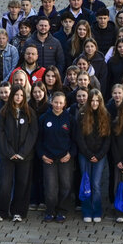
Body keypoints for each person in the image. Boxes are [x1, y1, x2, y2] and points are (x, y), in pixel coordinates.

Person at [0, 85, 37, 222]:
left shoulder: (29, 112)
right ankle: (1, 212)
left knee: (22, 184)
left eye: (21, 95)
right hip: (7, 155)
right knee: (5, 184)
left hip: (25, 156)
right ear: (12, 95)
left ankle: (18, 212)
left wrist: (22, 153)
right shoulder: (3, 112)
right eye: (16, 95)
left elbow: (33, 133)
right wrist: (10, 152)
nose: (18, 97)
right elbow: (0, 134)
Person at [74, 88, 112, 222]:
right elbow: (79, 137)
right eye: (92, 100)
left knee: (95, 184)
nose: (95, 103)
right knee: (86, 182)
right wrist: (88, 154)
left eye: (97, 100)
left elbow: (107, 138)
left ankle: (97, 210)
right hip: (85, 154)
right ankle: (86, 211)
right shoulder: (82, 114)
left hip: (100, 156)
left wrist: (100, 154)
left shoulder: (106, 115)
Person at [38, 90, 76, 222]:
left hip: (65, 158)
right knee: (50, 186)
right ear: (51, 102)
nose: (58, 105)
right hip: (48, 158)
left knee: (65, 185)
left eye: (61, 103)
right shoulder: (44, 118)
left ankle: (62, 210)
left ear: (65, 103)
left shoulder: (70, 119)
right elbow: (38, 140)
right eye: (55, 102)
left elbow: (75, 140)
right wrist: (42, 154)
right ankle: (50, 210)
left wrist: (70, 154)